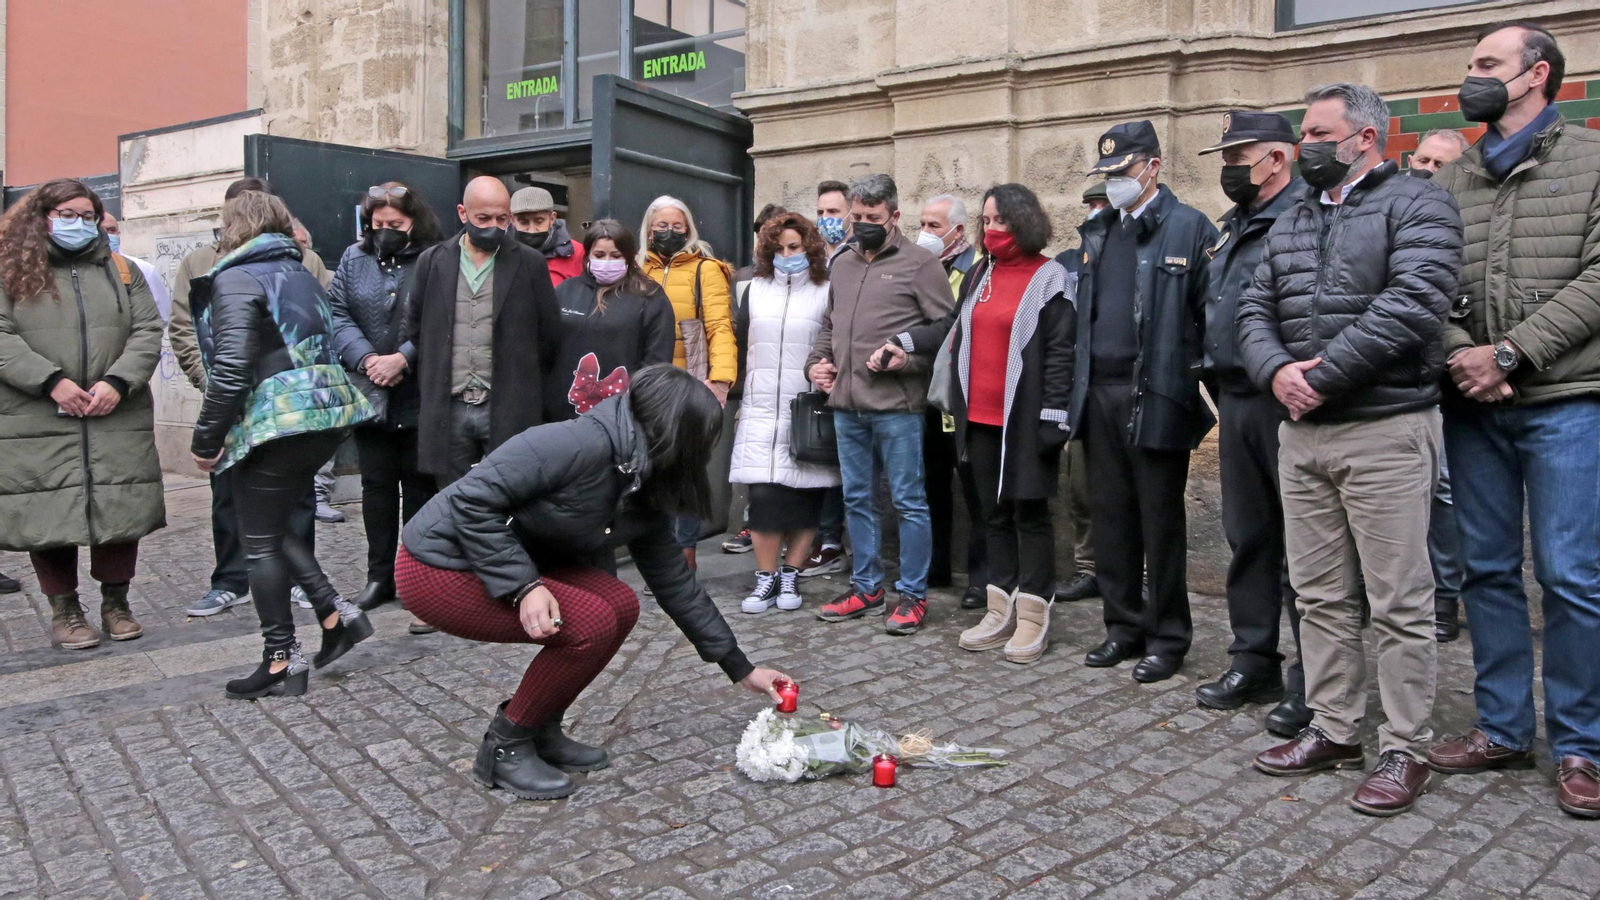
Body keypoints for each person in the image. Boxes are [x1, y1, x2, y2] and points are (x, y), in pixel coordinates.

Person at [396, 365, 789, 801]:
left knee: (621, 604)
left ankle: (540, 725)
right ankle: (504, 747)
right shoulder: (571, 443)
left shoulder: (643, 475)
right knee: (593, 621)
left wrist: (740, 667)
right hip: (438, 566)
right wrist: (524, 587)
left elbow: (675, 581)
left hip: (502, 559)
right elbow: (471, 502)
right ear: (678, 434)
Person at [1238, 83, 1463, 817]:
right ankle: (1335, 727)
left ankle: (1405, 746)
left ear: (1366, 137)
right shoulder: (1296, 215)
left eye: (1317, 132)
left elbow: (1415, 302)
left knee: (1400, 601)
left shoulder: (1419, 203)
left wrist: (1323, 379)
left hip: (1385, 427)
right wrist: (1275, 370)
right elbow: (1252, 305)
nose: (1305, 145)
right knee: (1320, 594)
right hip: (1303, 435)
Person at [1428, 21, 1600, 820]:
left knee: (1570, 576)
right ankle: (1502, 727)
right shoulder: (1452, 180)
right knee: (1485, 571)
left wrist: (1512, 354)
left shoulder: (1592, 161)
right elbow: (1422, 279)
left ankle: (1581, 746)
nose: (1473, 76)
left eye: (1486, 64)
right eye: (1472, 65)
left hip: (1566, 402)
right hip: (1473, 408)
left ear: (1536, 76)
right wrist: (1466, 354)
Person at [188, 190, 377, 698]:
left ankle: (281, 659)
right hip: (322, 414)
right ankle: (337, 613)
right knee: (267, 523)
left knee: (259, 544)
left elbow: (230, 369)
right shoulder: (299, 271)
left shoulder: (234, 276)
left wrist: (206, 439)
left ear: (234, 225)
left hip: (277, 419)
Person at [887, 185, 1073, 661]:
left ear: (1023, 222)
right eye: (986, 221)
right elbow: (951, 327)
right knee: (990, 515)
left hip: (1027, 420)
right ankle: (999, 605)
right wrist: (906, 342)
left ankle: (1033, 615)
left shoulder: (1051, 277)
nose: (991, 230)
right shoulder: (979, 274)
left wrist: (1055, 416)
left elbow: (1060, 355)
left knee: (1028, 513)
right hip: (978, 418)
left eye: (1000, 221)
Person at [1070, 121, 1218, 684]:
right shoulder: (1098, 232)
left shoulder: (1188, 228)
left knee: (1160, 522)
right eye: (1106, 175)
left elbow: (1211, 317)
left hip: (1155, 392)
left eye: (1123, 173)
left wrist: (1186, 378)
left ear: (1152, 167)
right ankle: (1123, 627)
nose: (1114, 185)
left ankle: (1168, 636)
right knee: (1111, 519)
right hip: (1100, 394)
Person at [0, 179, 165, 649]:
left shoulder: (122, 269)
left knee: (120, 505)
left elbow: (148, 330)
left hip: (115, 411)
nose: (79, 223)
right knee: (47, 509)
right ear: (42, 217)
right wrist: (52, 381)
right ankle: (65, 610)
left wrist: (117, 382)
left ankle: (117, 603)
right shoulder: (10, 269)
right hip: (36, 415)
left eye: (87, 215)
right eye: (66, 214)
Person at [1192, 112, 1312, 736]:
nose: (1230, 166)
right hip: (1235, 397)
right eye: (1227, 155)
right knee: (1249, 537)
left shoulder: (1305, 214)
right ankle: (1254, 658)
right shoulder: (1234, 224)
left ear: (1278, 157)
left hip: (1286, 396)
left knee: (1303, 550)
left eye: (1241, 155)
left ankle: (1312, 683)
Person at [805, 174, 955, 635]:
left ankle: (912, 594)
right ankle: (867, 587)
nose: (863, 225)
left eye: (873, 218)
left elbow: (948, 326)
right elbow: (831, 323)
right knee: (856, 498)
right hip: (846, 404)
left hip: (898, 407)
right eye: (857, 217)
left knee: (909, 501)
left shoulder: (920, 263)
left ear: (894, 216)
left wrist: (904, 354)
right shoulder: (844, 262)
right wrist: (818, 363)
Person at [171, 178, 326, 618]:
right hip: (233, 397)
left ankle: (302, 615)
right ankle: (234, 582)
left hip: (282, 402)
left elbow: (319, 324)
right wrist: (213, 385)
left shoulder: (301, 262)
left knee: (290, 499)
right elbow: (186, 329)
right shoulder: (202, 262)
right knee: (232, 499)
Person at [328, 181, 447, 613]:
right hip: (370, 391)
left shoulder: (437, 259)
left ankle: (416, 576)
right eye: (378, 224)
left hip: (419, 390)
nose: (385, 231)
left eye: (394, 224)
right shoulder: (353, 259)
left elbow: (443, 316)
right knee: (375, 487)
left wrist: (403, 358)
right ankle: (379, 577)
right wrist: (367, 359)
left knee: (419, 487)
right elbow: (337, 313)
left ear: (415, 220)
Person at [406, 176, 562, 485]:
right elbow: (416, 328)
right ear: (463, 214)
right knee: (452, 500)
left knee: (512, 495)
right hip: (449, 408)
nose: (493, 225)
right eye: (483, 218)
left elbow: (550, 334)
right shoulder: (432, 261)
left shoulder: (530, 264)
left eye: (502, 218)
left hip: (509, 405)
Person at [729, 212, 839, 613]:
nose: (786, 255)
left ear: (808, 248)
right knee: (762, 498)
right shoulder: (754, 289)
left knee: (806, 497)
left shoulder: (826, 290)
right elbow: (739, 342)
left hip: (807, 410)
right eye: (778, 248)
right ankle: (765, 578)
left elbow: (834, 342)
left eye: (794, 247)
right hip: (760, 407)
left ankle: (790, 574)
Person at [639, 195, 737, 571]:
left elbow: (719, 327)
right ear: (649, 228)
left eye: (677, 226)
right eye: (661, 226)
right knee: (650, 472)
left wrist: (721, 381)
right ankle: (657, 556)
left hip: (690, 382)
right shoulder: (637, 268)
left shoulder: (706, 269)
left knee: (686, 471)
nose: (668, 233)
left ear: (689, 229)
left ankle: (684, 556)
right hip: (648, 385)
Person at [1404, 129, 1472, 643]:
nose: (1426, 168)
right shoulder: (1392, 212)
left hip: (1455, 374)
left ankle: (1444, 596)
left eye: (1439, 163)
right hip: (1397, 374)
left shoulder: (1468, 218)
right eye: (1421, 158)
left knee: (1442, 488)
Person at [916, 195, 988, 609]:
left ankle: (980, 578)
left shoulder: (976, 271)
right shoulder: (922, 267)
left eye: (934, 225)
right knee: (930, 488)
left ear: (958, 231)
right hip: (924, 396)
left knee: (975, 491)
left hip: (961, 397)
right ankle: (935, 567)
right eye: (923, 223)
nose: (925, 232)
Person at [544, 219, 676, 423]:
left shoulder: (651, 298)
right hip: (560, 419)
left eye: (615, 256)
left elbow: (656, 365)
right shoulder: (566, 291)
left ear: (629, 257)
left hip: (620, 419)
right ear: (587, 256)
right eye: (599, 255)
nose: (606, 261)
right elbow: (545, 348)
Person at [1050, 183, 1107, 606]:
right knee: (1082, 491)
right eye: (1090, 205)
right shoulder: (1066, 263)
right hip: (1079, 394)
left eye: (1102, 205)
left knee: (1131, 491)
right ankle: (1088, 568)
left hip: (1124, 391)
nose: (1095, 213)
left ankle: (1137, 571)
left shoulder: (1135, 256)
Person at [798, 180, 857, 579]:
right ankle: (816, 536)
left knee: (839, 466)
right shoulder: (811, 257)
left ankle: (834, 542)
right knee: (815, 456)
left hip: (846, 376)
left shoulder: (855, 258)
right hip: (813, 368)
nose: (825, 220)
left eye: (833, 213)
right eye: (820, 213)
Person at [722, 203, 787, 555]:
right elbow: (735, 329)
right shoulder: (743, 277)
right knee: (752, 461)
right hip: (752, 382)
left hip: (792, 383)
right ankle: (751, 524)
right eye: (762, 229)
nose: (767, 235)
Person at [100, 212, 172, 320]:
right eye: (101, 230)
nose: (107, 235)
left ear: (118, 233)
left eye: (111, 230)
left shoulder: (144, 270)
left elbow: (162, 316)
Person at [510, 187, 586, 286]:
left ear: (552, 219)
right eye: (524, 222)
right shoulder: (502, 254)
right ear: (512, 220)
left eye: (539, 221)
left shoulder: (578, 253)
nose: (532, 230)